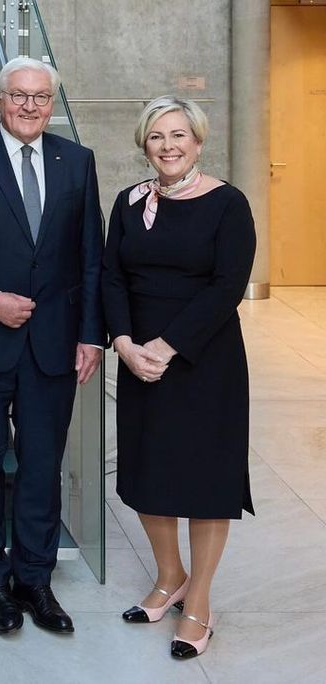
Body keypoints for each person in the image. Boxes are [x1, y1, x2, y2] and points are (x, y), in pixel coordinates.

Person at [0, 56, 104, 636]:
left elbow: (90, 257)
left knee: (40, 466)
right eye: (18, 95)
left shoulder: (77, 162)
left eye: (40, 96)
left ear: (52, 102)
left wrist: (90, 333)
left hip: (54, 344)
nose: (29, 105)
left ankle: (35, 579)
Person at [102, 96, 255, 659]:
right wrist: (124, 342)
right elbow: (109, 276)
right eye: (156, 137)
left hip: (203, 361)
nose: (167, 146)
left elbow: (226, 286)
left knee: (205, 482)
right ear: (144, 144)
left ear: (198, 140)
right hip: (138, 357)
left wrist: (166, 346)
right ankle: (171, 578)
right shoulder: (128, 202)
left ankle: (200, 603)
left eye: (178, 136)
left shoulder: (227, 203)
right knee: (147, 472)